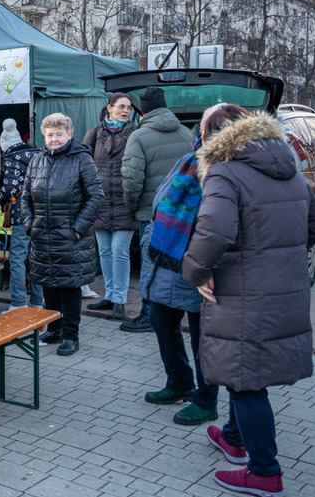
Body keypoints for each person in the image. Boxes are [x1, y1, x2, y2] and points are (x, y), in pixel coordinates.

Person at [183, 104, 315, 497]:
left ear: (214, 136)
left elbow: (215, 229)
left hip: (243, 290)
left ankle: (265, 472)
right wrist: (281, 255)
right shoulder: (288, 166)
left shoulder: (225, 171)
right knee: (242, 368)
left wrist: (195, 271)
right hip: (283, 288)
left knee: (247, 381)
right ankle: (233, 437)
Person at [138, 132, 218, 426]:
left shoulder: (225, 168)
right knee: (161, 321)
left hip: (201, 267)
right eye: (203, 130)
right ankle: (180, 382)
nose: (204, 135)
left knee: (203, 340)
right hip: (169, 262)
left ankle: (206, 400)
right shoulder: (187, 160)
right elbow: (161, 200)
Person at [19, 112, 104, 356]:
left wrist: (77, 229)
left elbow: (96, 197)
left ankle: (70, 335)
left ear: (69, 134)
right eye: (50, 134)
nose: (54, 139)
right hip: (42, 237)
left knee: (69, 287)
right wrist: (29, 224)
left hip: (70, 238)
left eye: (59, 134)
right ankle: (54, 328)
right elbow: (25, 197)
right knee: (48, 284)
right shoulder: (37, 161)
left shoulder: (82, 160)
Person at [119, 86, 195, 332]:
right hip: (183, 214)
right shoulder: (187, 133)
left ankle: (148, 315)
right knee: (175, 262)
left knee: (150, 264)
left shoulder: (139, 136)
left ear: (143, 110)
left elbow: (131, 179)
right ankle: (174, 313)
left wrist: (134, 205)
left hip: (150, 212)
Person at [82, 93, 139, 320]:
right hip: (101, 202)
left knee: (119, 251)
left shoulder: (135, 134)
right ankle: (110, 295)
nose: (125, 110)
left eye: (128, 107)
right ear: (109, 108)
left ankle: (120, 300)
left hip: (126, 202)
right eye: (121, 106)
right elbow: (83, 164)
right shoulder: (94, 134)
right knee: (104, 251)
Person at [0, 118, 44, 310]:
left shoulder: (10, 159)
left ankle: (17, 303)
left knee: (17, 258)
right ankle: (38, 301)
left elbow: (8, 190)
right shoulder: (39, 154)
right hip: (41, 213)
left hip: (20, 215)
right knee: (37, 258)